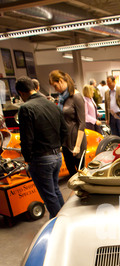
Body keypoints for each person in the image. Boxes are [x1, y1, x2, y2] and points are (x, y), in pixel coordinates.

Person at [15, 76, 68, 219]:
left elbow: (27, 138)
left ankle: (59, 227)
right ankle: (64, 219)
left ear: (21, 92)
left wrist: (28, 159)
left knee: (49, 197)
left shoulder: (26, 108)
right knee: (55, 191)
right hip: (57, 156)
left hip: (41, 159)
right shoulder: (52, 104)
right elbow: (65, 130)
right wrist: (58, 147)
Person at [49, 70, 87, 176]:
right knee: (72, 174)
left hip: (76, 141)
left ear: (61, 81)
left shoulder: (77, 97)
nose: (55, 89)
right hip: (66, 142)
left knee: (81, 174)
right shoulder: (62, 98)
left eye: (55, 86)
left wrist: (78, 146)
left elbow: (82, 123)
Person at [105, 75, 120, 144]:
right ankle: (117, 151)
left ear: (114, 81)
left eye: (109, 83)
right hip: (112, 117)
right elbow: (107, 106)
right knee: (114, 136)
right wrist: (107, 118)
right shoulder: (107, 92)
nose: (108, 85)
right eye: (107, 83)